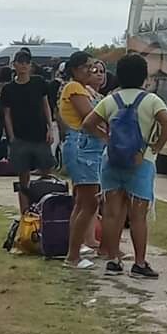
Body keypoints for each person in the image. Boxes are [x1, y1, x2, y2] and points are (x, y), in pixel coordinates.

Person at [83, 54, 167, 279]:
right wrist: (156, 147)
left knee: (112, 214)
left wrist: (106, 139)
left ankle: (113, 259)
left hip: (112, 161)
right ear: (144, 76)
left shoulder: (111, 100)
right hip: (140, 161)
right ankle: (140, 263)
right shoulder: (151, 100)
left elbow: (88, 123)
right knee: (138, 217)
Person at [59, 52, 105, 270]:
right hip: (82, 147)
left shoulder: (83, 89)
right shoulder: (74, 88)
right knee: (89, 202)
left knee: (82, 202)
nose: (91, 71)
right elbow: (91, 117)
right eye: (87, 67)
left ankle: (76, 249)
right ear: (76, 69)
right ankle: (73, 256)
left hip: (86, 147)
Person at [1, 50, 54, 212]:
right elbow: (7, 114)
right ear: (14, 65)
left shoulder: (39, 83)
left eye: (26, 62)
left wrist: (50, 128)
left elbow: (46, 105)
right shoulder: (8, 89)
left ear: (30, 65)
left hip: (40, 134)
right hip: (20, 136)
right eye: (20, 62)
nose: (24, 65)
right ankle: (25, 212)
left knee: (47, 171)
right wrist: (11, 136)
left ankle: (46, 208)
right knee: (23, 176)